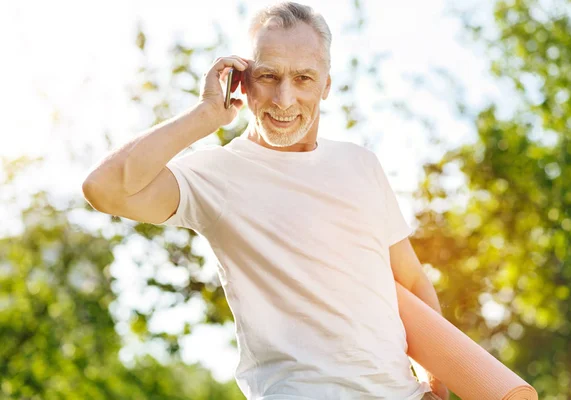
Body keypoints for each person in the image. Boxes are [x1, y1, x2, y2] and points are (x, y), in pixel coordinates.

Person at [82, 2, 449, 399]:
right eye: (268, 76)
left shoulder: (361, 165)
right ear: (242, 81)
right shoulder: (217, 174)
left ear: (326, 84)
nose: (284, 99)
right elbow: (104, 188)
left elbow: (410, 281)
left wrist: (435, 385)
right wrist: (205, 115)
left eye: (304, 78)